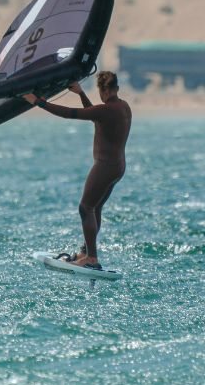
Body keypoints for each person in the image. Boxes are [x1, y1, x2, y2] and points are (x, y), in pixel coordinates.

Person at [22, 71, 131, 270]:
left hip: (105, 166)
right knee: (95, 207)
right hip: (118, 167)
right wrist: (80, 93)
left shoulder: (106, 110)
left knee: (85, 207)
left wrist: (38, 102)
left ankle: (92, 259)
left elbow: (70, 113)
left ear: (104, 91)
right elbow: (95, 115)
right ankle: (86, 252)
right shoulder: (123, 107)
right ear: (116, 88)